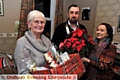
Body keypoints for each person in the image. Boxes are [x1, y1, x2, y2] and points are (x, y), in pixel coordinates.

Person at [14, 10, 56, 74]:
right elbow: (23, 72)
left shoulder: (47, 41)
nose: (39, 25)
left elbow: (55, 59)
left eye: (42, 22)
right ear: (29, 24)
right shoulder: (22, 43)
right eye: (36, 22)